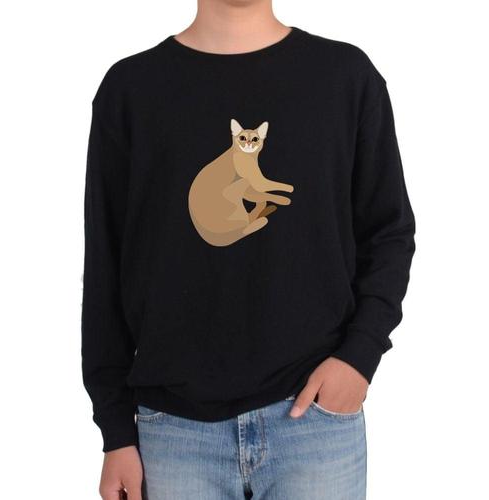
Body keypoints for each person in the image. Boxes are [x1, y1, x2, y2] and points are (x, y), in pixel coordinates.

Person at [81, 0, 415, 498]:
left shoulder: (345, 76)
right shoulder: (130, 89)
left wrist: (359, 357)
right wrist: (116, 431)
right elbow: (105, 267)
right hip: (172, 430)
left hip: (313, 418)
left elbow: (389, 233)